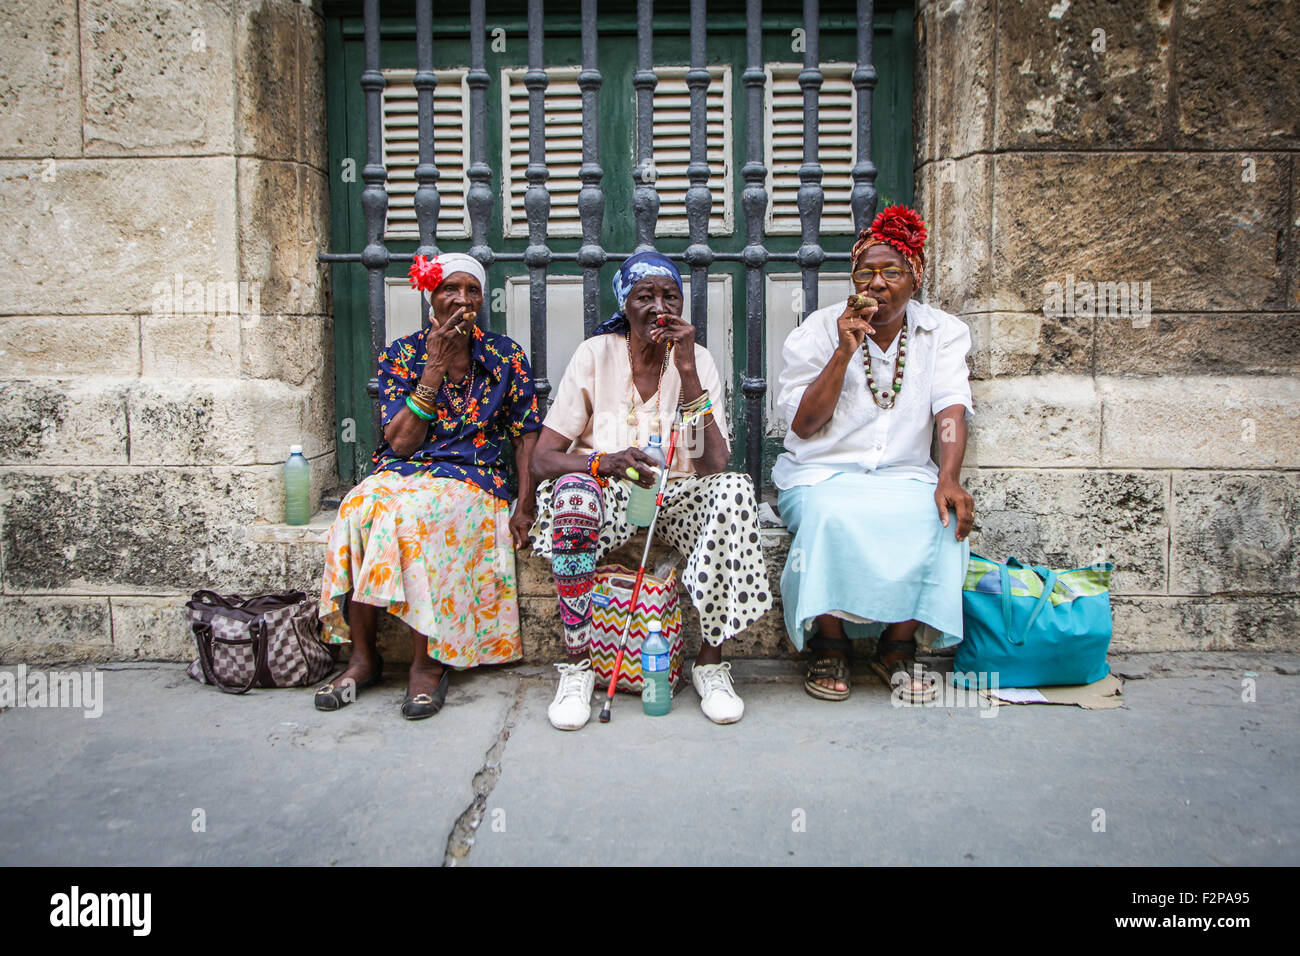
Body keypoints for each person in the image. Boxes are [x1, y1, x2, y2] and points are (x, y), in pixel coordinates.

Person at [528, 251, 773, 729]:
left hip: (679, 493)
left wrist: (686, 372)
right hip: (611, 490)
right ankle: (578, 664)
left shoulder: (696, 360)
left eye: (670, 296)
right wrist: (605, 462)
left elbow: (714, 463)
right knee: (574, 492)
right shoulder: (595, 354)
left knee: (735, 490)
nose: (660, 307)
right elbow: (543, 459)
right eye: (646, 296)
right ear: (626, 303)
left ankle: (710, 663)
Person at [315, 253, 541, 719]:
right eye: (449, 290)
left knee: (415, 515)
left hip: (475, 477)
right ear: (431, 297)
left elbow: (527, 433)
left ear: (482, 299)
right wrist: (433, 368)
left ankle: (428, 662)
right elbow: (399, 444)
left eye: (471, 291)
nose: (461, 300)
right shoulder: (401, 354)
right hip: (406, 469)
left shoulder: (504, 355)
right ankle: (363, 657)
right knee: (357, 506)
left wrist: (525, 505)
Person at [773, 205, 974, 703]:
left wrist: (948, 476)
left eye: (892, 272)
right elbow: (803, 423)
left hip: (904, 473)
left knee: (939, 517)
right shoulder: (819, 330)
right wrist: (843, 350)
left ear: (916, 278)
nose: (877, 283)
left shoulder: (942, 332)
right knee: (831, 515)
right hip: (820, 474)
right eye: (866, 272)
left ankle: (897, 650)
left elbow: (951, 407)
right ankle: (831, 643)